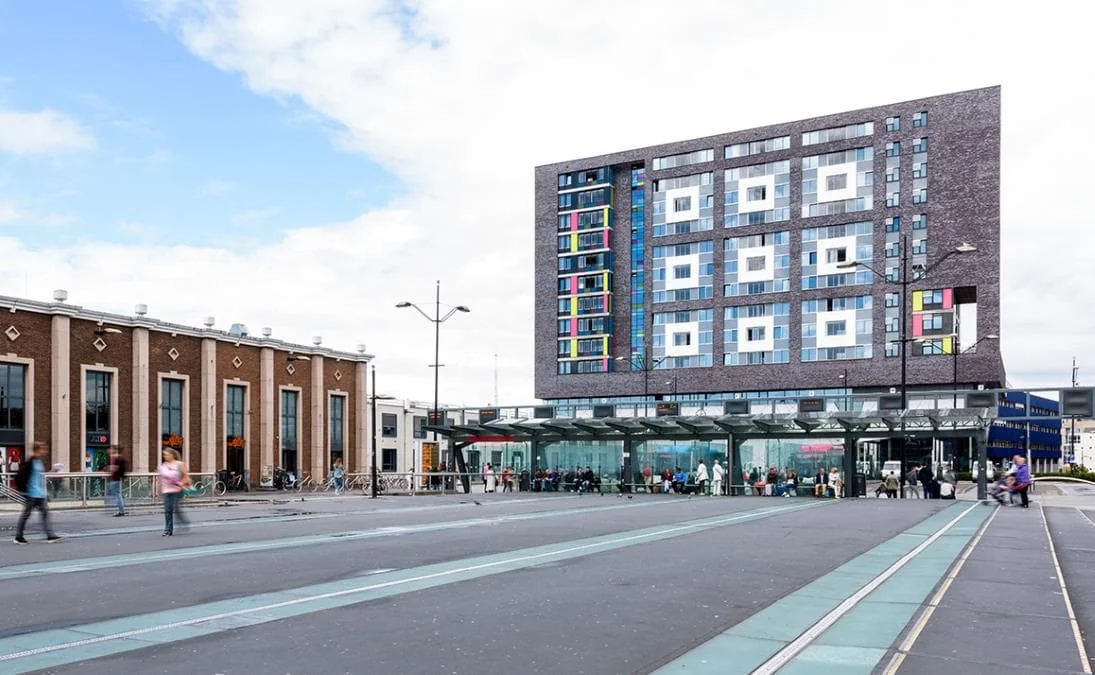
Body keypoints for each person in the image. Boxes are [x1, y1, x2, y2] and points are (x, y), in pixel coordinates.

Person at [14, 442, 61, 544]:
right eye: (42, 449)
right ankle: (18, 537)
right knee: (26, 515)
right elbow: (20, 477)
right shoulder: (29, 462)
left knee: (45, 514)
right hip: (31, 494)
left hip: (40, 494)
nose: (44, 451)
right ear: (36, 450)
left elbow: (40, 478)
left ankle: (50, 535)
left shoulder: (39, 462)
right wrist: (23, 491)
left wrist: (52, 472)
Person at [158, 448, 190, 536]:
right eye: (164, 455)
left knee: (175, 508)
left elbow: (185, 476)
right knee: (168, 510)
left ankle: (182, 521)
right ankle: (168, 529)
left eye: (167, 454)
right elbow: (160, 478)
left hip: (177, 490)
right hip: (166, 490)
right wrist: (158, 489)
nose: (165, 456)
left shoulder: (179, 464)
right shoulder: (163, 466)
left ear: (172, 455)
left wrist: (182, 483)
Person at [106, 446, 127, 516]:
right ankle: (121, 510)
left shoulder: (116, 458)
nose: (108, 451)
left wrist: (108, 468)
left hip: (115, 479)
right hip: (116, 479)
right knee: (117, 494)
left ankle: (121, 511)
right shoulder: (117, 457)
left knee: (117, 495)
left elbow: (115, 468)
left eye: (110, 449)